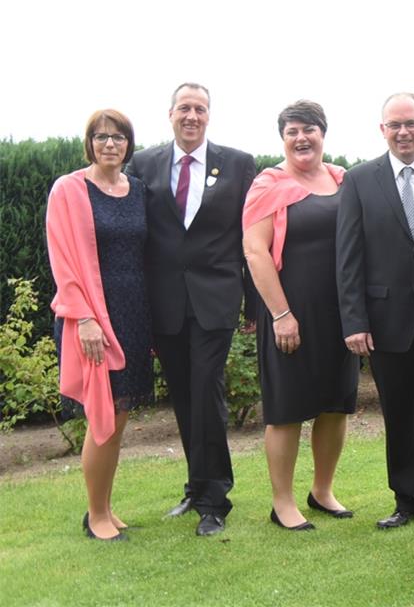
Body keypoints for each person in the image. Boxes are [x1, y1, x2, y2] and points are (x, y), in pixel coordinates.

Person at [126, 83, 257, 536]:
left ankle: (215, 500)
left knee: (207, 390)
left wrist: (254, 305)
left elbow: (252, 238)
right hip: (165, 302)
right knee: (182, 396)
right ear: (170, 114)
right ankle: (195, 484)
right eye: (185, 107)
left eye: (200, 109)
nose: (192, 115)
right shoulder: (143, 164)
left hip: (216, 298)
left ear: (209, 116)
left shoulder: (238, 164)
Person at [243, 100, 359, 531]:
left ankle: (322, 490)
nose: (301, 138)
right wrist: (280, 314)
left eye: (309, 129)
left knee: (335, 404)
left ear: (323, 134)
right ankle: (282, 502)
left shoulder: (344, 181)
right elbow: (255, 252)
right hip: (289, 313)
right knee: (287, 409)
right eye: (292, 131)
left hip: (340, 314)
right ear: (283, 138)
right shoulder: (267, 184)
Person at [47, 109, 153, 541]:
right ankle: (96, 516)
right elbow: (62, 260)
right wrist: (84, 318)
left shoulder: (139, 191)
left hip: (132, 313)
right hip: (91, 317)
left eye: (119, 137)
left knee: (120, 414)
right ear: (89, 142)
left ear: (129, 144)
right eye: (101, 137)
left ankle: (106, 507)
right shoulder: (69, 190)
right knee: (102, 417)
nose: (110, 144)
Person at [336, 93, 414, 529]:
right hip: (385, 320)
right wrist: (355, 320)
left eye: (410, 123)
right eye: (394, 125)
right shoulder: (360, 180)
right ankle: (408, 500)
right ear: (382, 130)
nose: (403, 132)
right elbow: (348, 256)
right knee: (398, 415)